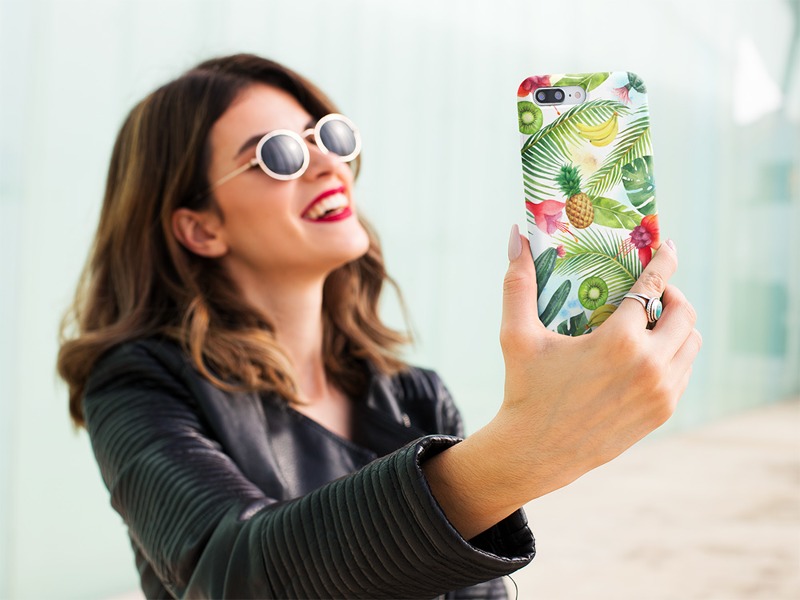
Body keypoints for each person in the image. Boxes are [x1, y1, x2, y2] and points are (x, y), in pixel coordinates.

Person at [57, 53, 701, 599]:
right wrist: (521, 451)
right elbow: (232, 571)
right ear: (200, 228)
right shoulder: (137, 384)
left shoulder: (414, 396)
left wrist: (524, 451)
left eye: (328, 137)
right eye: (278, 155)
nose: (326, 165)